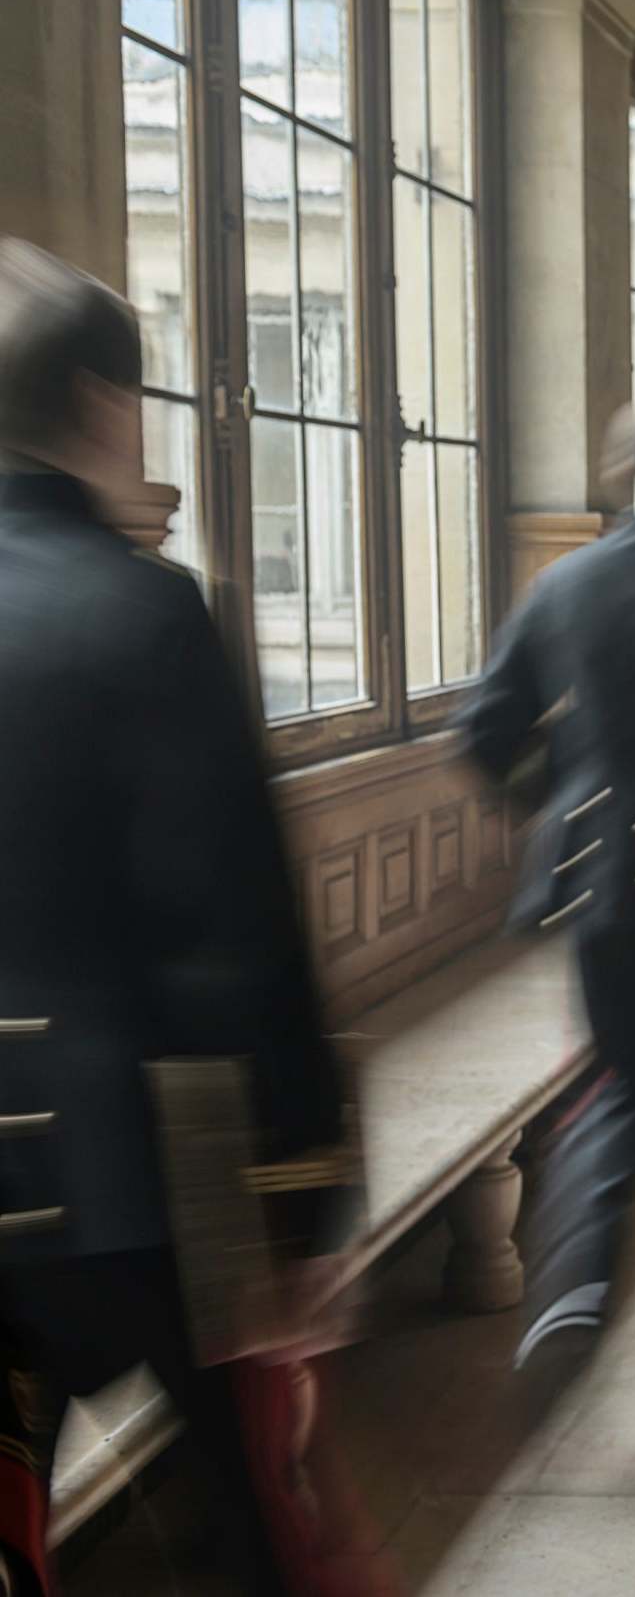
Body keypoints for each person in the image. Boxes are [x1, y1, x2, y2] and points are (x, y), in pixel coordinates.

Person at [0, 240, 357, 1593]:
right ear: (105, 402)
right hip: (140, 1178)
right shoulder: (146, 611)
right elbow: (234, 938)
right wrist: (302, 1200)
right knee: (252, 1518)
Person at [461, 390, 635, 1375]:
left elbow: (483, 731)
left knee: (616, 1080)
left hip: (600, 884)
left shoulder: (564, 585)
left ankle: (570, 1288)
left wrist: (563, 803)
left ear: (624, 478)